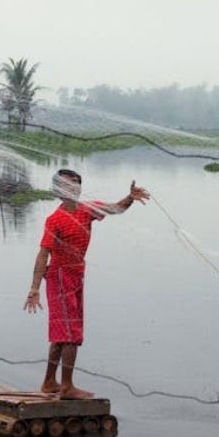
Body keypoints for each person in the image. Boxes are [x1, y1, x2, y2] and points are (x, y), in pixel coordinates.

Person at [24, 169, 149, 399]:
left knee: (63, 333)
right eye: (69, 185)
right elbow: (43, 253)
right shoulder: (55, 219)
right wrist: (34, 288)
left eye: (77, 184)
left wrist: (130, 198)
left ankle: (50, 382)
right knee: (71, 334)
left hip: (76, 275)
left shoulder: (86, 209)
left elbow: (115, 208)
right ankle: (67, 386)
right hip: (60, 277)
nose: (74, 188)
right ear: (59, 190)